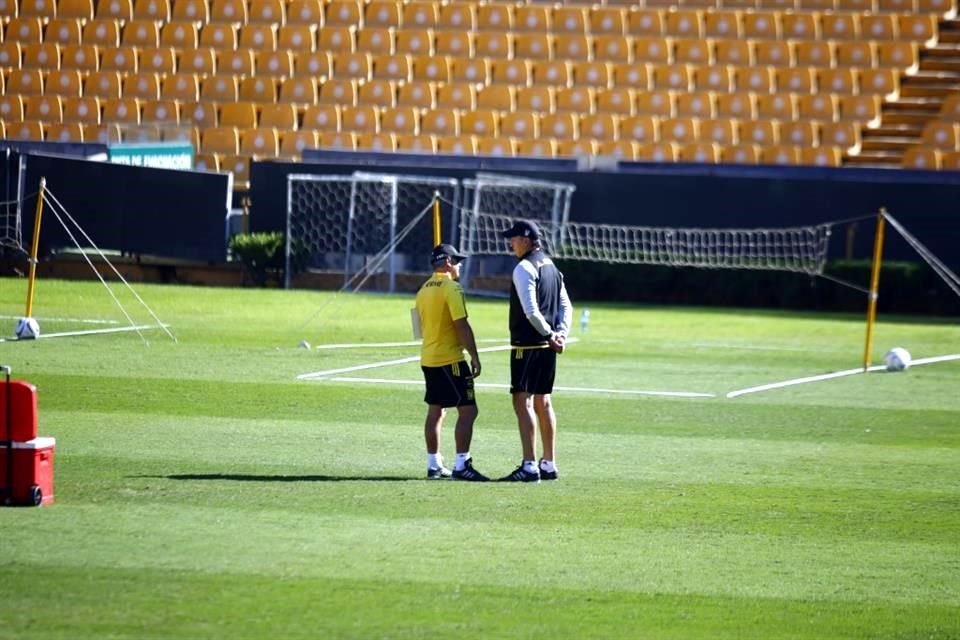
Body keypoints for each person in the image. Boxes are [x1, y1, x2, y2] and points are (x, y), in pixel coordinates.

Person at [499, 220, 573, 483]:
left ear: (527, 239)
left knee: (523, 401)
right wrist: (561, 333)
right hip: (548, 347)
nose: (510, 243)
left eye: (513, 238)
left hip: (529, 345)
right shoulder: (551, 266)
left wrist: (550, 334)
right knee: (544, 401)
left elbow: (531, 311)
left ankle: (529, 466)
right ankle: (549, 463)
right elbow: (566, 305)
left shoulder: (524, 268)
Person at [414, 244, 489, 482]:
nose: (459, 265)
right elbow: (461, 325)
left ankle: (434, 464)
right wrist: (474, 356)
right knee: (468, 410)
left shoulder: (422, 289)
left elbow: (418, 329)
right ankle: (461, 465)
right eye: (456, 260)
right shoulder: (452, 288)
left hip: (428, 357)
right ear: (446, 261)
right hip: (451, 360)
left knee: (436, 410)